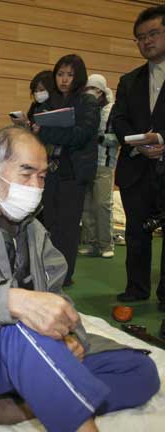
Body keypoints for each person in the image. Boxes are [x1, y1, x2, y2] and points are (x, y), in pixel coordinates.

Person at [0, 126, 159, 432]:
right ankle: (54, 401)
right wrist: (16, 301)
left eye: (42, 177)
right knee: (23, 329)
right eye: (26, 173)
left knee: (138, 370)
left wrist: (73, 337)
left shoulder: (33, 230)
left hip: (24, 347)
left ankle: (19, 407)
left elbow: (55, 296)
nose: (36, 186)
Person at [111, 5, 165, 311]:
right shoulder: (129, 80)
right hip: (136, 165)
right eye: (140, 38)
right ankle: (137, 287)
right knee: (136, 232)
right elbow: (117, 119)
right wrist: (138, 143)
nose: (146, 41)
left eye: (153, 34)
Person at [35, 54, 100, 286]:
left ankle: (65, 275)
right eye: (60, 74)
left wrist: (45, 131)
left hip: (73, 171)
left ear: (78, 77)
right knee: (50, 223)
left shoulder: (88, 101)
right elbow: (38, 126)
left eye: (69, 75)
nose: (64, 79)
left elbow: (80, 135)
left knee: (68, 227)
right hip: (50, 169)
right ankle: (48, 268)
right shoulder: (50, 101)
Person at [79, 74, 119, 259]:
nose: (90, 92)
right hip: (86, 163)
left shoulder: (113, 110)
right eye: (88, 88)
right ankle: (91, 243)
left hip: (104, 163)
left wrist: (100, 138)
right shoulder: (86, 108)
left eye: (94, 89)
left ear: (102, 92)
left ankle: (106, 244)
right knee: (87, 204)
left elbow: (120, 137)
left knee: (102, 204)